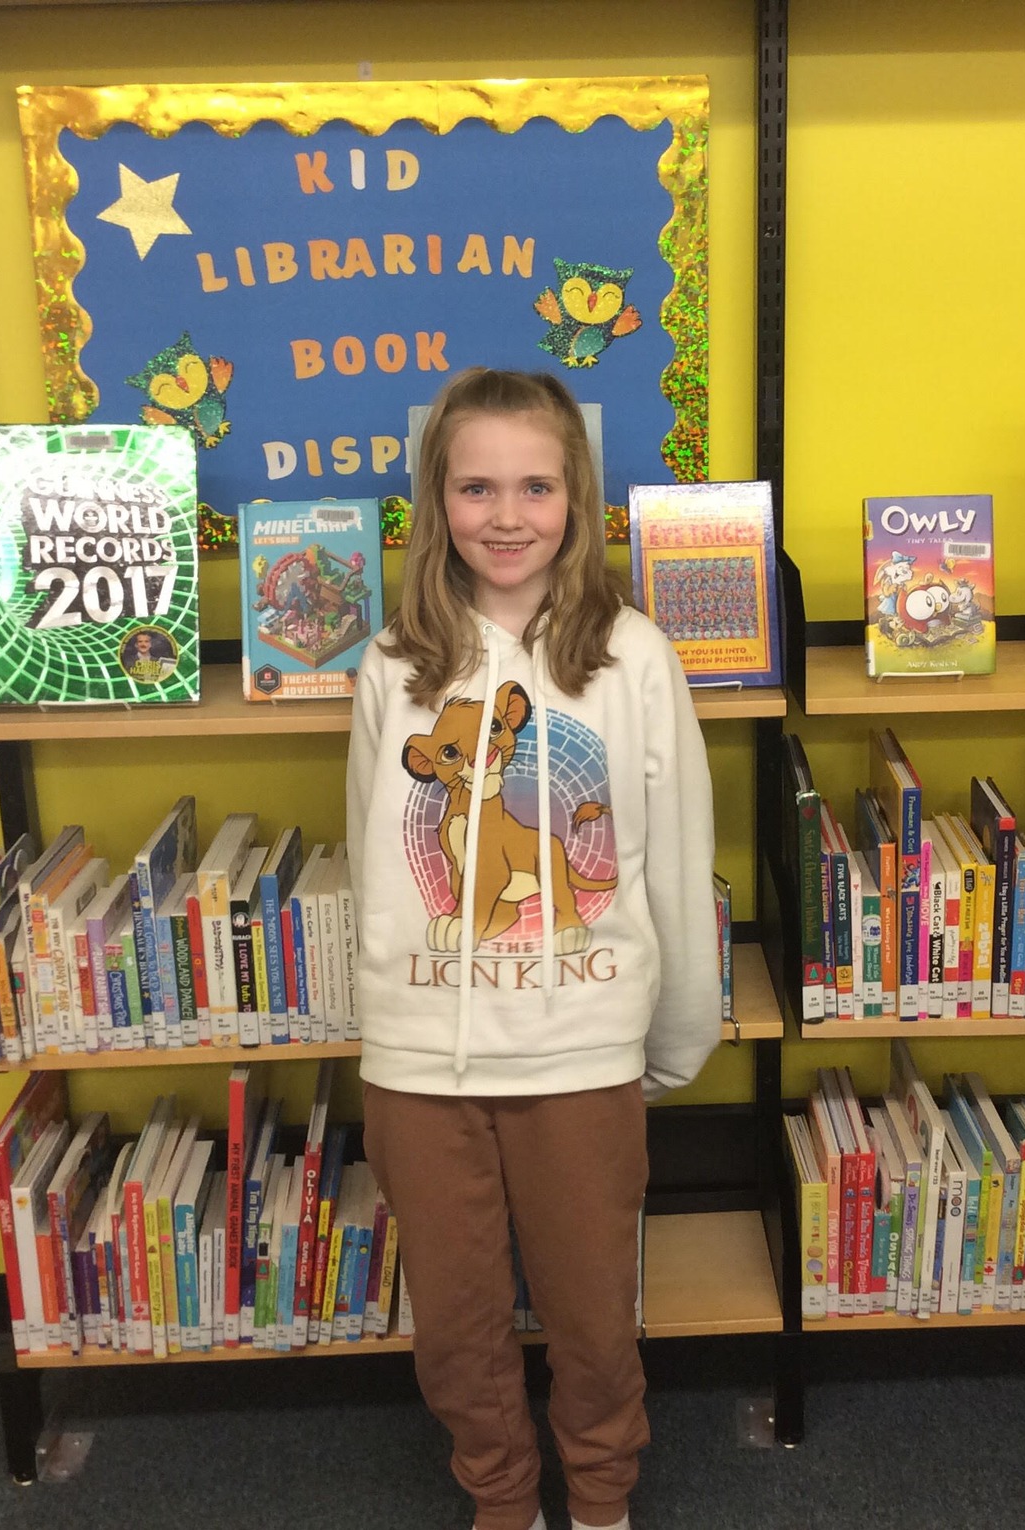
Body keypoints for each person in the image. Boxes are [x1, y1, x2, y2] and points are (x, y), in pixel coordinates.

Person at [347, 368, 719, 1530]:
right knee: (455, 1328)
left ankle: (600, 1501)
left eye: (535, 486)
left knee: (594, 1316)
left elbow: (671, 859)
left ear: (577, 497)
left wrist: (670, 1039)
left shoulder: (634, 658)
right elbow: (373, 864)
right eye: (475, 487)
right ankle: (500, 1501)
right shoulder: (392, 665)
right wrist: (386, 1021)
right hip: (423, 1064)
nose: (505, 516)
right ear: (436, 500)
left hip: (579, 1051)